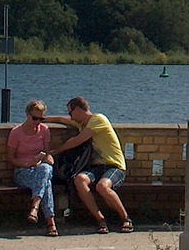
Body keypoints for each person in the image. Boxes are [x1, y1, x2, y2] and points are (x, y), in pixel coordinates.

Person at [47, 96, 132, 234]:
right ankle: (100, 219)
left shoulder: (98, 119)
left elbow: (77, 141)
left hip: (114, 166)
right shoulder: (82, 124)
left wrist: (54, 152)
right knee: (79, 180)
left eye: (71, 113)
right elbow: (61, 120)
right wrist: (40, 118)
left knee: (102, 186)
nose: (71, 117)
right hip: (96, 167)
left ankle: (126, 218)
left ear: (79, 109)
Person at [9, 99, 58, 236]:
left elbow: (47, 153)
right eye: (35, 118)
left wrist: (47, 158)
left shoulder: (44, 130)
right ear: (27, 114)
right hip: (23, 171)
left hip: (39, 169)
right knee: (45, 181)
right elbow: (11, 158)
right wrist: (27, 164)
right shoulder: (16, 132)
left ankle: (35, 209)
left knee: (45, 171)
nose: (37, 122)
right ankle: (51, 222)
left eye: (41, 119)